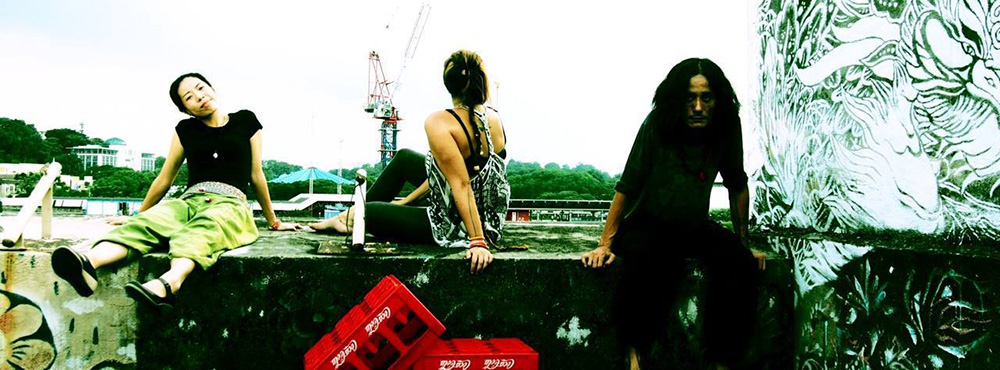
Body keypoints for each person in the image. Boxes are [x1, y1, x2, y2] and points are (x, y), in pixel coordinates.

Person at [51, 72, 303, 312]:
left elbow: (255, 174)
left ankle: (168, 283)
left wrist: (273, 221)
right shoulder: (185, 130)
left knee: (203, 229)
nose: (199, 97)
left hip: (230, 204)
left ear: (212, 88)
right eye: (189, 97)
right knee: (150, 223)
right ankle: (87, 263)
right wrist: (139, 215)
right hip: (189, 199)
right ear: (185, 109)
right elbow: (165, 178)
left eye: (201, 88)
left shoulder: (245, 121)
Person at [581, 58, 767, 370]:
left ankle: (722, 360)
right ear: (676, 101)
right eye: (689, 98)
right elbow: (627, 185)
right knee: (656, 265)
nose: (697, 107)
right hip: (645, 224)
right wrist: (605, 244)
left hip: (692, 226)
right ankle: (633, 356)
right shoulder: (657, 124)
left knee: (739, 264)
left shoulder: (726, 125)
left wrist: (743, 243)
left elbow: (736, 183)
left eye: (705, 98)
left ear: (717, 100)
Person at [310, 50, 509, 274]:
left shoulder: (440, 123)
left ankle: (349, 218)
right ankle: (352, 214)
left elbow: (461, 185)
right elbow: (451, 176)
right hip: (489, 218)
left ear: (448, 84)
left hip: (460, 225)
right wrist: (404, 203)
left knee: (363, 214)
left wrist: (478, 242)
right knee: (404, 157)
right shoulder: (493, 117)